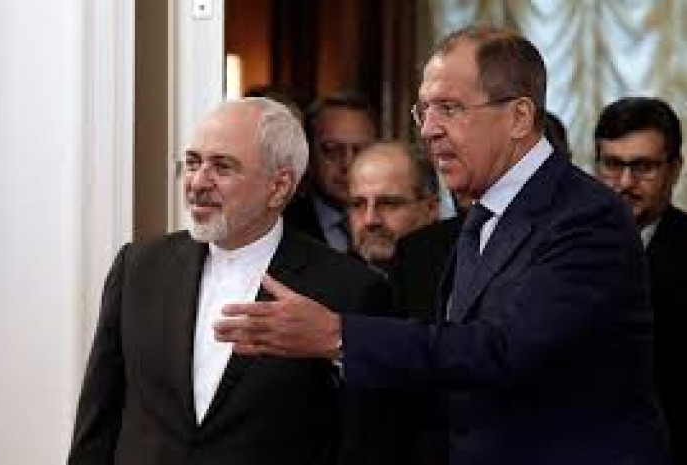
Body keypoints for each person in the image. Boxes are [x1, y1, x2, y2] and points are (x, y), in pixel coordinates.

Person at [215, 26, 671, 464]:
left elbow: (501, 349)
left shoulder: (587, 216)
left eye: (449, 108)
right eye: (424, 111)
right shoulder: (483, 214)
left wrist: (338, 335)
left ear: (518, 117)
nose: (429, 129)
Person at [66, 97, 390, 465]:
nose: (198, 183)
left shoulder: (350, 289)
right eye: (192, 163)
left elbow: (364, 442)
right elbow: (98, 419)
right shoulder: (139, 267)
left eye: (222, 167)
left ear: (279, 186)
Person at [594, 96, 685, 463]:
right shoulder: (564, 245)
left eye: (644, 167)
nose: (625, 183)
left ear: (675, 169)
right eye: (613, 164)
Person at [284, 91, 377, 253]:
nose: (348, 163)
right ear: (308, 153)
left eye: (361, 151)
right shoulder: (282, 226)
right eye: (331, 150)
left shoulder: (399, 222)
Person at [347, 141, 439, 273]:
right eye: (357, 204)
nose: (370, 220)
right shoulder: (331, 281)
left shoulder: (458, 276)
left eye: (388, 203)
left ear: (430, 208)